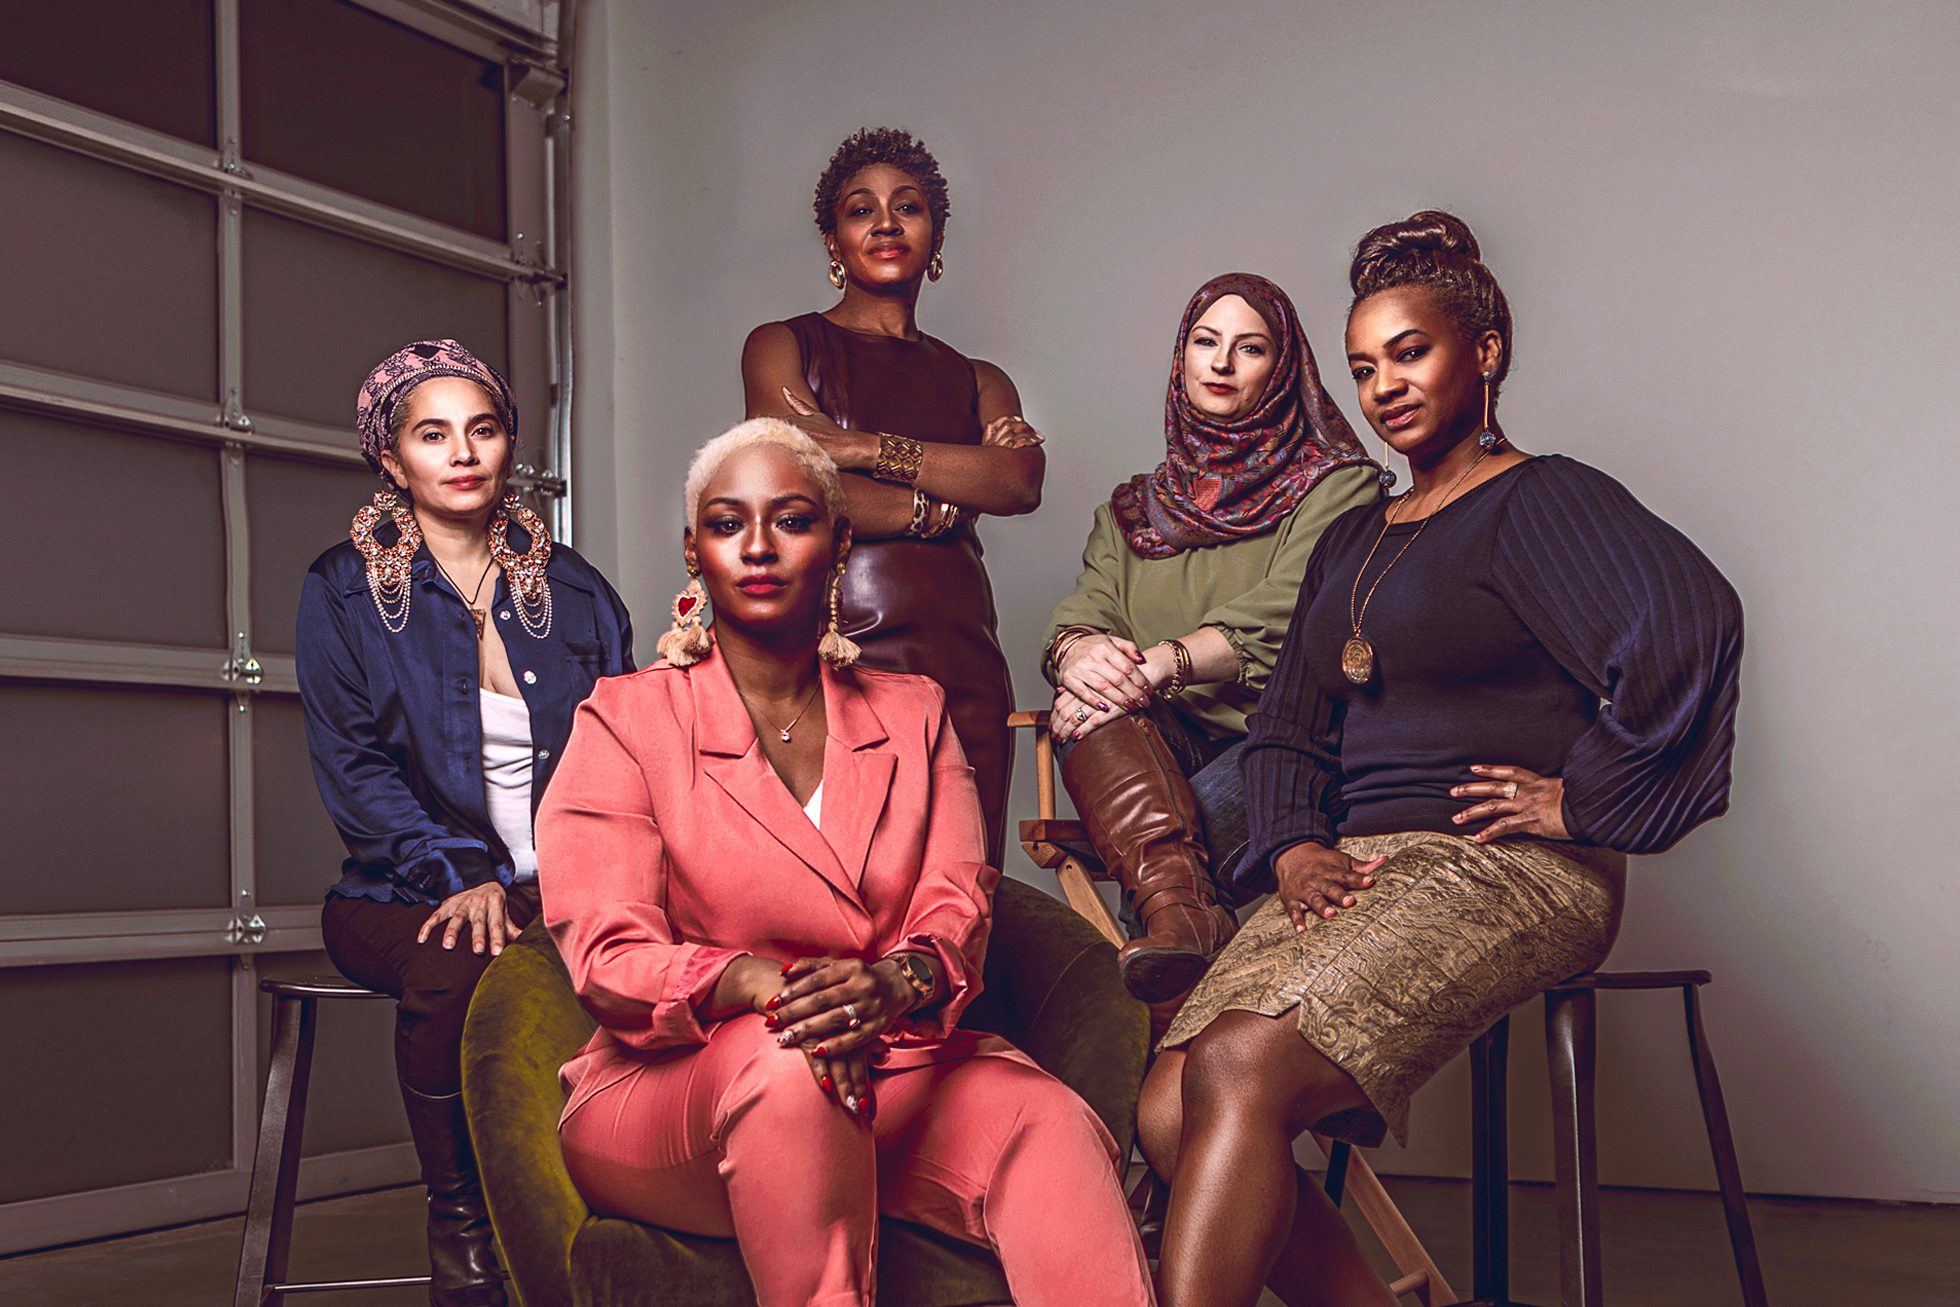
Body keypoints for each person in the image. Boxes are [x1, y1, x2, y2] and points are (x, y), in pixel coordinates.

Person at [1137, 213, 1744, 1307]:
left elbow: (1690, 622)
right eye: (1364, 367)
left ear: (1486, 350)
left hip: (1498, 864)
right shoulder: (1351, 536)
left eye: (1409, 353)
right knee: (1167, 1104)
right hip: (1349, 866)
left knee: (1237, 1066)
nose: (1384, 389)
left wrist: (1584, 799)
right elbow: (1285, 721)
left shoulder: (1539, 498)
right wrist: (1287, 845)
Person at [537, 419, 1155, 1307]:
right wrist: (757, 983)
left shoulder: (915, 712)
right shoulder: (625, 719)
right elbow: (607, 952)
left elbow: (956, 900)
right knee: (792, 1063)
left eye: (790, 519)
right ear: (693, 550)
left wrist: (897, 982)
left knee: (1045, 1118)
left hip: (889, 1067)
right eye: (725, 523)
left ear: (839, 542)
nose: (757, 546)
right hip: (673, 1090)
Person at [296, 340, 633, 1307]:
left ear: (507, 444)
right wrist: (458, 872)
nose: (462, 452)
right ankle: (465, 1225)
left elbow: (626, 741)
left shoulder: (573, 588)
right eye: (432, 433)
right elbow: (352, 764)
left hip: (557, 884)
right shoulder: (344, 591)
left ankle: (612, 1214)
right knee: (459, 965)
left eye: (482, 429)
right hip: (397, 888)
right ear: (393, 459)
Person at [1042, 273, 1378, 1005]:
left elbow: (1294, 610)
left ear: (1283, 368)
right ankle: (1186, 926)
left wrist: (1158, 664)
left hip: (1287, 744)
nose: (1221, 363)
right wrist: (1079, 656)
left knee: (1158, 851)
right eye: (1205, 341)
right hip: (1159, 744)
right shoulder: (1134, 510)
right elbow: (1087, 607)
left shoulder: (1338, 485)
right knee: (1094, 709)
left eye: (1249, 347)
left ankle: (1177, 958)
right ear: (1181, 360)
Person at [741, 126, 1041, 869]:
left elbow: (1015, 481)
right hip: (839, 653)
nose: (884, 223)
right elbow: (792, 486)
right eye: (860, 209)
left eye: (906, 207)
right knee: (844, 891)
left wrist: (862, 448)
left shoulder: (978, 377)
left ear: (934, 233)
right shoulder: (782, 346)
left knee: (968, 899)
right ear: (833, 240)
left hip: (964, 659)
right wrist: (935, 501)